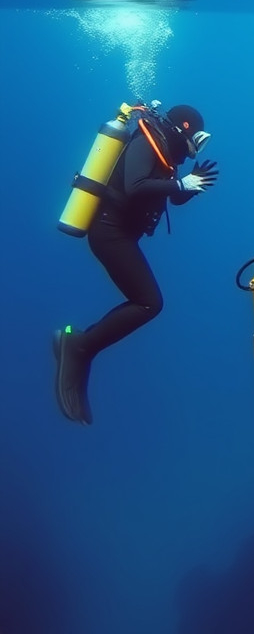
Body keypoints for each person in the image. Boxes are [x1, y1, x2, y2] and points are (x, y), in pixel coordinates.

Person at [54, 104, 218, 425]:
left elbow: (169, 195)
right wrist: (181, 184)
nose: (193, 149)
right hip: (109, 232)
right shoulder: (147, 140)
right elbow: (136, 186)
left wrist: (192, 185)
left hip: (120, 234)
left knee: (147, 302)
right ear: (184, 129)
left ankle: (80, 346)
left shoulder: (165, 152)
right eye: (195, 139)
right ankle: (78, 346)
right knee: (148, 303)